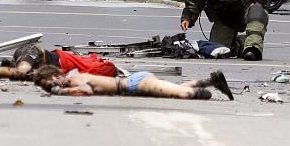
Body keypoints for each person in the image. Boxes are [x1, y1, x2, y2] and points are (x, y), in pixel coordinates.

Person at [33, 65, 234, 101]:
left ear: (57, 75)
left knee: (179, 93)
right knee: (176, 88)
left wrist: (62, 93)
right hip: (133, 82)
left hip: (134, 84)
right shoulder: (73, 78)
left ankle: (200, 94)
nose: (52, 84)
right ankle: (211, 81)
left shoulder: (74, 79)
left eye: (51, 80)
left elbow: (85, 90)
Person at [0, 42, 118, 80]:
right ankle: (8, 69)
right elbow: (110, 69)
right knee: (22, 70)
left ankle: (9, 68)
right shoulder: (98, 67)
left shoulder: (92, 66)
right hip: (39, 55)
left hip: (40, 58)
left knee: (24, 71)